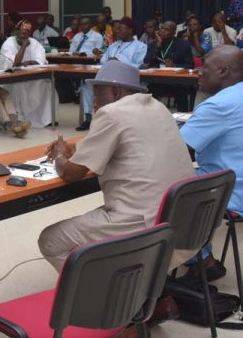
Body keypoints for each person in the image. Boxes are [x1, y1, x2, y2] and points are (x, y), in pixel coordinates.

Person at [39, 60, 195, 272]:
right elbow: (123, 143)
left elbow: (71, 173)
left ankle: (104, 290)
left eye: (97, 95)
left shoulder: (112, 113)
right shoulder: (158, 107)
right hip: (182, 221)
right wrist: (74, 149)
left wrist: (59, 155)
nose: (94, 103)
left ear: (115, 92)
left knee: (50, 240)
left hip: (145, 224)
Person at [179, 46, 243, 283]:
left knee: (163, 189)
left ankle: (201, 261)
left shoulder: (219, 105)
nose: (198, 71)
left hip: (231, 191)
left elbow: (178, 150)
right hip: (235, 179)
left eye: (205, 67)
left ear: (223, 71)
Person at [77, 17, 147, 131]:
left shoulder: (141, 46)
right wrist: (110, 61)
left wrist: (119, 61)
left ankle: (118, 120)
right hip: (107, 78)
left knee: (113, 91)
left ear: (130, 30)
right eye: (117, 28)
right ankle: (89, 119)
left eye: (121, 28)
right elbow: (103, 60)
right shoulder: (114, 45)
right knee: (86, 88)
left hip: (125, 81)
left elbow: (139, 65)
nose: (117, 31)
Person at [0, 20, 58, 128]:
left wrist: (26, 63)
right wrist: (23, 47)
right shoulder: (8, 43)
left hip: (32, 77)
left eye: (27, 33)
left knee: (48, 85)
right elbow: (14, 64)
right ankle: (19, 118)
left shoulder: (35, 43)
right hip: (11, 79)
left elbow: (39, 62)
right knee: (19, 85)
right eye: (22, 32)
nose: (24, 35)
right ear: (17, 31)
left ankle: (46, 118)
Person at [144, 21, 194, 111]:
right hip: (159, 81)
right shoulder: (153, 44)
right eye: (162, 28)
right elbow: (146, 62)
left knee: (181, 90)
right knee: (149, 90)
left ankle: (183, 115)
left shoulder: (182, 44)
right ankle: (149, 114)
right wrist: (157, 45)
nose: (162, 31)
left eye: (166, 30)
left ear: (173, 33)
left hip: (177, 81)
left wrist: (175, 65)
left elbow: (190, 65)